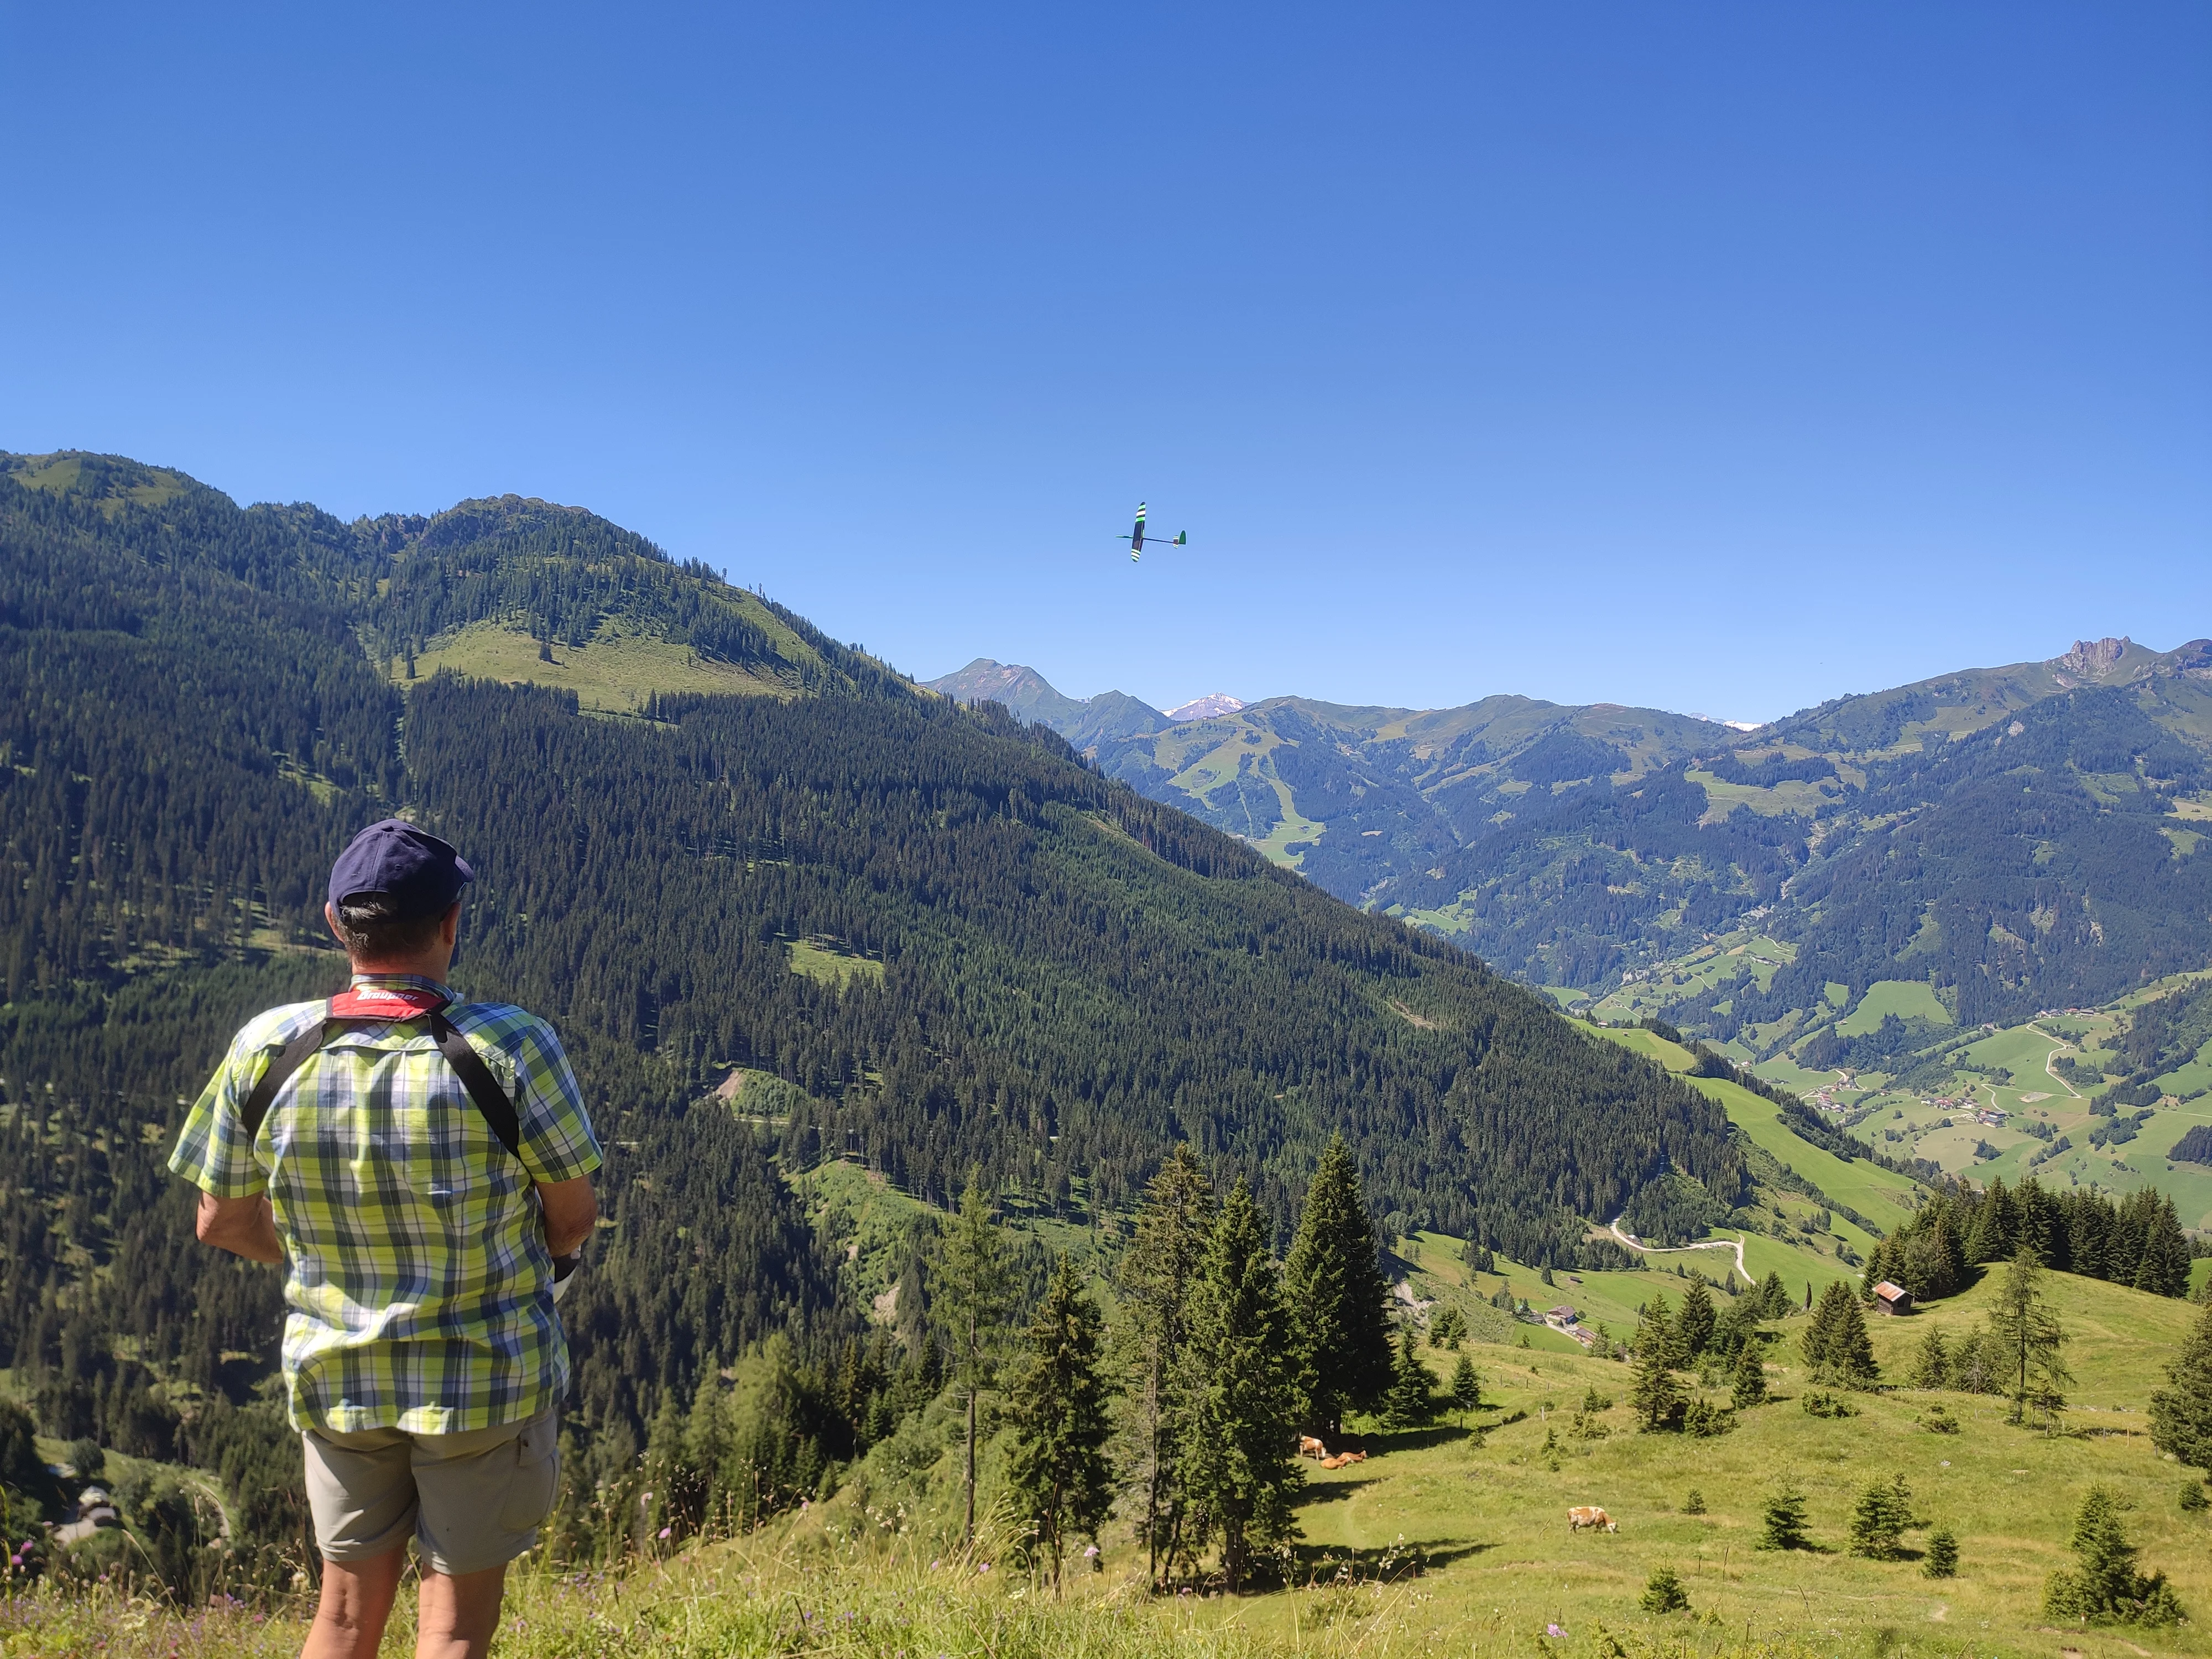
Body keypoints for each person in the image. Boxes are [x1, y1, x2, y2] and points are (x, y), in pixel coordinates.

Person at [171, 820, 602, 1659]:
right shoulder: (510, 1045)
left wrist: (328, 1259)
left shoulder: (265, 1049)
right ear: (452, 923)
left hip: (338, 1379)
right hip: (484, 1379)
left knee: (338, 1617)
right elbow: (574, 1215)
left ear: (336, 923)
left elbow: (219, 1220)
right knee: (454, 1628)